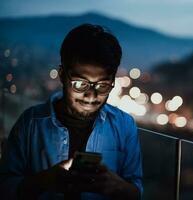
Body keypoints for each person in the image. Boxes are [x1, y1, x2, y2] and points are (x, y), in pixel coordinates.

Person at [0, 24, 143, 200]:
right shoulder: (30, 123)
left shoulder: (125, 126)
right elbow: (5, 187)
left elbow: (136, 192)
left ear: (113, 81)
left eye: (102, 85)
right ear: (62, 75)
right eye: (80, 84)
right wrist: (43, 181)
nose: (91, 95)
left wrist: (117, 187)